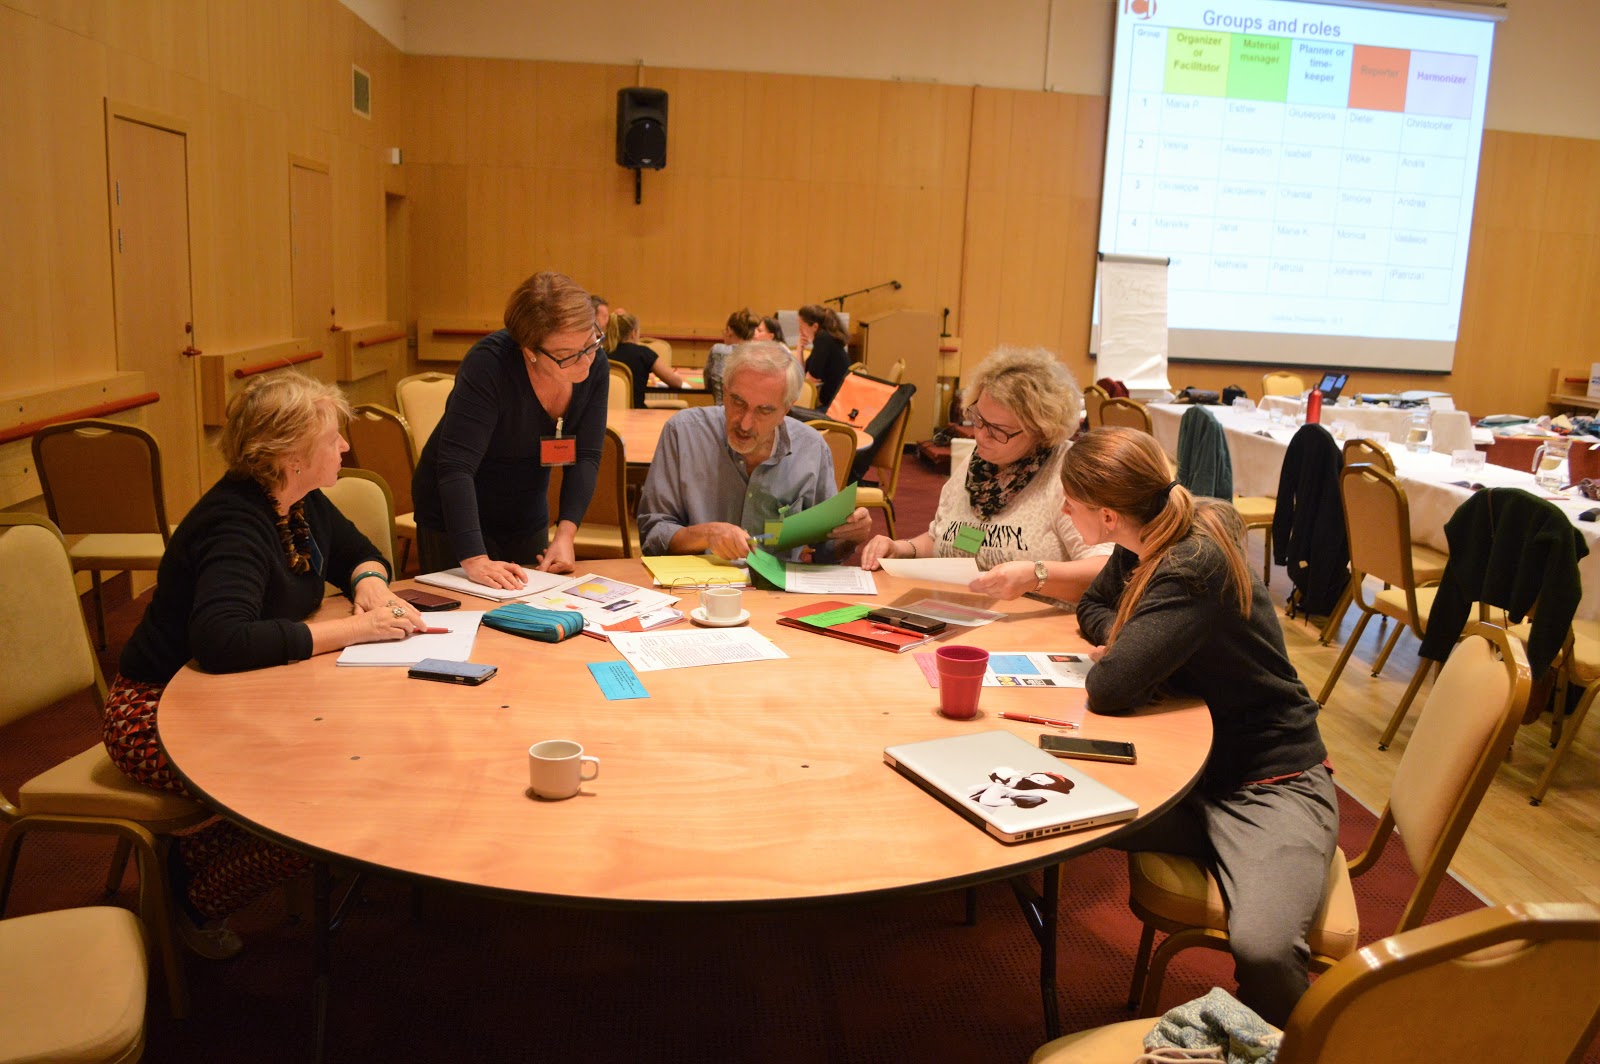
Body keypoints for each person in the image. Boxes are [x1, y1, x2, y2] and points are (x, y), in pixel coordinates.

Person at [103, 373, 427, 957]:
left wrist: (371, 585)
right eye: (332, 438)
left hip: (233, 694)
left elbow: (358, 552)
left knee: (349, 758)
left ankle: (190, 858)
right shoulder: (235, 522)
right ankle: (194, 904)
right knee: (311, 804)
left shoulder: (296, 500)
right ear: (290, 455)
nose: (344, 446)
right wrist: (358, 629)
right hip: (157, 711)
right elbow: (223, 641)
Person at [1059, 426, 1338, 1027]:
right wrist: (1135, 640)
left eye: (1070, 502)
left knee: (1263, 950)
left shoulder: (1191, 561)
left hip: (1267, 780)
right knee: (1050, 810)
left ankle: (1303, 1045)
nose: (1063, 511)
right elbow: (1093, 607)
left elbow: (1109, 688)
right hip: (1193, 769)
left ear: (1107, 515)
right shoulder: (1141, 536)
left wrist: (1134, 650)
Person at [861, 346, 1110, 605]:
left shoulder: (1067, 474)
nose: (980, 435)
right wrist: (901, 549)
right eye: (978, 419)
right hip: (964, 612)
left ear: (1041, 430)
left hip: (1035, 622)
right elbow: (944, 538)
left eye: (998, 430)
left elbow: (1105, 568)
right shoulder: (978, 464)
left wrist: (1036, 575)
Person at [412, 271, 606, 588]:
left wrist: (565, 535)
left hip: (525, 509)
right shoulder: (489, 365)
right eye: (566, 356)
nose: (585, 362)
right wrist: (475, 558)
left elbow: (586, 455)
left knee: (530, 604)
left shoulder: (594, 363)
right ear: (530, 351)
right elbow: (456, 467)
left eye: (590, 343)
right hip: (456, 513)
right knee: (466, 609)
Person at [638, 341, 872, 561]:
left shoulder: (811, 448)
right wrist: (707, 535)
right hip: (696, 585)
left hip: (776, 588)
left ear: (786, 409)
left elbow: (826, 550)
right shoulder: (683, 432)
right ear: (725, 392)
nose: (745, 423)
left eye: (764, 410)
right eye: (738, 402)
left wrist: (849, 537)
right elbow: (653, 535)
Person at [608, 311, 686, 408]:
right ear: (633, 333)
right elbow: (677, 383)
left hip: (607, 413)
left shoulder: (602, 354)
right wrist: (676, 376)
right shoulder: (643, 354)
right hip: (636, 412)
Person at [797, 303, 851, 411]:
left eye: (801, 325)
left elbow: (811, 378)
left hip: (835, 406)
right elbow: (803, 373)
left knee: (795, 412)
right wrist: (800, 349)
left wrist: (808, 376)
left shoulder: (823, 339)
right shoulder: (823, 338)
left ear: (814, 327)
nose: (799, 330)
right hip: (834, 402)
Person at [704, 307, 758, 403]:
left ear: (729, 331)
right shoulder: (759, 354)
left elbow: (708, 384)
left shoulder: (717, 350)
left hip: (721, 410)